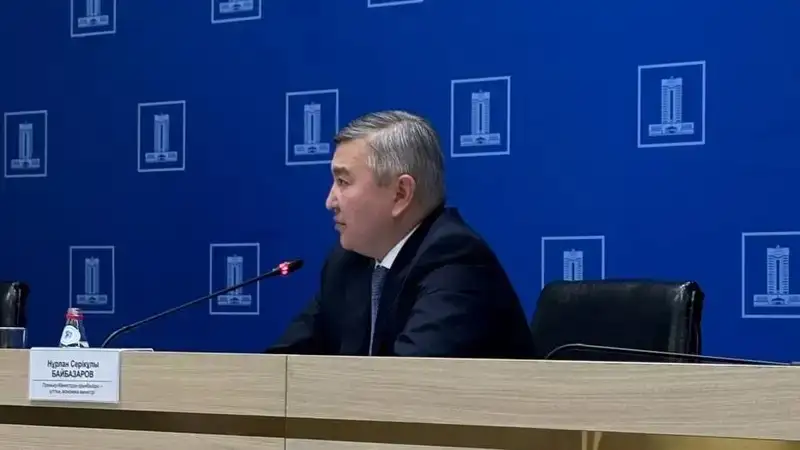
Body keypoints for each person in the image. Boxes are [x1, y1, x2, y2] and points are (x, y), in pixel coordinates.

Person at [266, 110, 534, 358]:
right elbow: (283, 363)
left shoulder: (456, 261)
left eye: (343, 182)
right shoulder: (347, 263)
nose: (330, 201)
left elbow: (405, 381)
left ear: (401, 194)